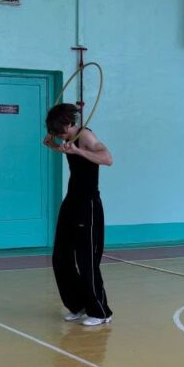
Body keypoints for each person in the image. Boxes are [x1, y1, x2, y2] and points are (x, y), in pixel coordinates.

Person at [43, 102, 113, 326]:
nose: (59, 135)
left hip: (87, 204)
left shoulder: (86, 136)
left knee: (86, 260)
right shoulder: (68, 138)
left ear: (69, 124)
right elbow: (70, 153)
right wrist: (53, 145)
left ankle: (100, 312)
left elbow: (107, 159)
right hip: (71, 201)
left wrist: (78, 150)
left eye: (60, 132)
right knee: (60, 256)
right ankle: (78, 304)